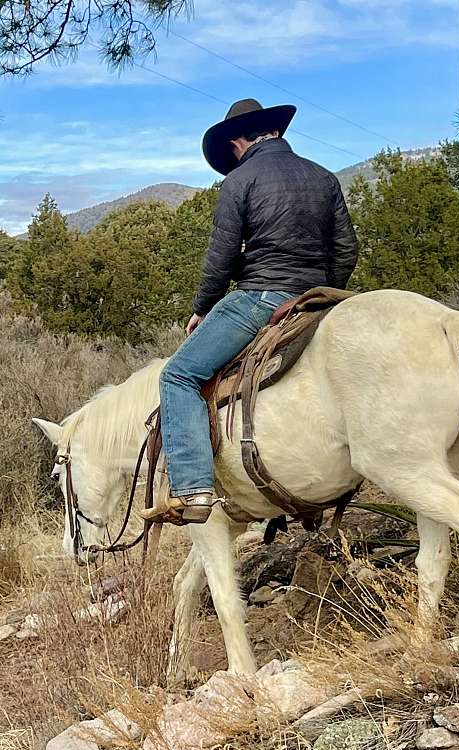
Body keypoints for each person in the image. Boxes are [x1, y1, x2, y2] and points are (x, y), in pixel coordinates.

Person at [142, 98, 358, 525]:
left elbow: (220, 258)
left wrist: (203, 308)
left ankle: (193, 490)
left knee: (179, 375)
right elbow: (346, 250)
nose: (233, 157)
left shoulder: (241, 180)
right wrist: (320, 292)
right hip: (315, 296)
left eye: (232, 150)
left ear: (239, 140)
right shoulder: (324, 177)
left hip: (260, 297)